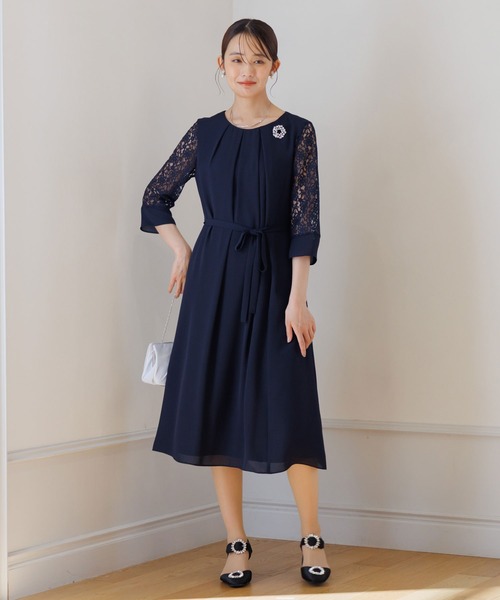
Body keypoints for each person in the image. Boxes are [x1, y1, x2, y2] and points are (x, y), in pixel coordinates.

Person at [141, 18, 330, 588]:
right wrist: (182, 250)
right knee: (218, 404)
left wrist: (298, 301)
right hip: (214, 278)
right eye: (236, 59)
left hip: (276, 279)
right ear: (220, 66)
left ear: (275, 66)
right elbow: (155, 196)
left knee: (290, 404)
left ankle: (312, 535)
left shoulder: (297, 132)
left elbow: (305, 222)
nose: (246, 70)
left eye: (258, 59)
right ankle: (237, 542)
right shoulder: (204, 133)